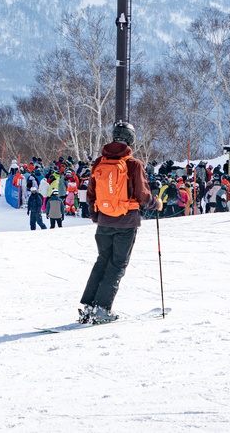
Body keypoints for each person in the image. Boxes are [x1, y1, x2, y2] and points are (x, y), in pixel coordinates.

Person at [79, 121, 157, 324]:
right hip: (127, 222)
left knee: (102, 261)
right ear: (131, 140)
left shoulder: (99, 162)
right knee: (117, 265)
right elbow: (142, 195)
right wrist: (155, 204)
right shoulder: (134, 164)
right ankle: (102, 308)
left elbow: (91, 193)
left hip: (104, 220)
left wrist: (96, 217)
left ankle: (89, 306)